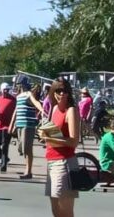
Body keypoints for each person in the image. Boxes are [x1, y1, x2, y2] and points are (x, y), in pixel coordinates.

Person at [40, 79, 82, 217]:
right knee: (55, 210)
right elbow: (54, 133)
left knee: (65, 212)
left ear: (69, 92)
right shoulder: (54, 109)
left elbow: (74, 141)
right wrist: (44, 133)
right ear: (53, 92)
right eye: (58, 90)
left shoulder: (71, 111)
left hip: (64, 163)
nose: (62, 93)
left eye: (65, 90)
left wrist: (49, 138)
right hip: (52, 162)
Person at [10, 77, 43, 179]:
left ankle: (28, 172)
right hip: (19, 124)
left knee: (27, 148)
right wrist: (12, 124)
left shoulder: (28, 94)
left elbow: (36, 102)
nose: (17, 86)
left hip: (28, 124)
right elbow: (16, 110)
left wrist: (42, 110)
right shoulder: (19, 96)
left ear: (22, 84)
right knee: (22, 149)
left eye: (18, 84)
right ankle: (27, 170)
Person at [0, 82, 16, 173]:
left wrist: (14, 125)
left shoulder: (13, 100)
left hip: (7, 126)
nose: (5, 91)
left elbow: (16, 112)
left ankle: (3, 164)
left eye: (7, 90)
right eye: (4, 90)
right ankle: (4, 158)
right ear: (1, 90)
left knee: (5, 145)